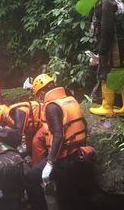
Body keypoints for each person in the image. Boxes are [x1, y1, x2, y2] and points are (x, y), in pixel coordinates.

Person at [67, 0, 124, 117]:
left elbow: (107, 29)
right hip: (121, 40)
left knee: (106, 72)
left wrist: (101, 52)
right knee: (123, 70)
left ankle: (107, 107)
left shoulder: (105, 4)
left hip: (112, 44)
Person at [25, 74, 95, 210]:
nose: (39, 98)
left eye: (38, 95)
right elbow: (83, 124)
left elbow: (58, 135)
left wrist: (50, 163)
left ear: (42, 92)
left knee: (31, 178)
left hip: (64, 159)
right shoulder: (69, 100)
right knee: (70, 196)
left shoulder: (52, 107)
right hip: (78, 154)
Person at [0, 100, 45, 165]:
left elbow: (18, 136)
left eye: (2, 123)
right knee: (29, 148)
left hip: (45, 122)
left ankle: (38, 167)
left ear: (2, 116)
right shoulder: (10, 115)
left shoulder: (17, 112)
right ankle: (31, 160)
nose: (3, 125)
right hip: (33, 128)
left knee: (36, 142)